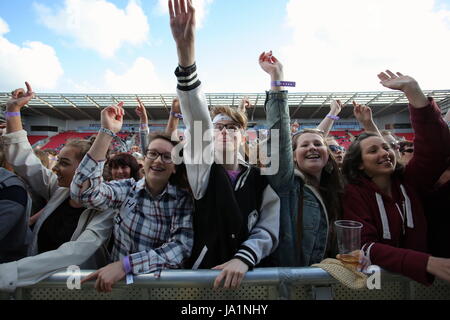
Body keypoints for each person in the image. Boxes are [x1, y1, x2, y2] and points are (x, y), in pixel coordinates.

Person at [169, 0, 280, 289]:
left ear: (244, 136)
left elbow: (268, 226)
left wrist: (244, 258)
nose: (225, 132)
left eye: (233, 127)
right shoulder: (201, 171)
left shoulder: (260, 178)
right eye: (219, 127)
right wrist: (186, 55)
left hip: (254, 279)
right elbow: (197, 121)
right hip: (204, 280)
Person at [0, 82, 114, 292]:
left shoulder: (106, 209)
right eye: (58, 161)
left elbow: (75, 253)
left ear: (85, 169)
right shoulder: (59, 191)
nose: (55, 169)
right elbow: (24, 159)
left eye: (64, 163)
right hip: (38, 286)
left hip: (78, 291)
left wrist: (9, 273)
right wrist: (13, 111)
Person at [70, 102, 193, 293]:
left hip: (161, 291)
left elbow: (180, 247)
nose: (158, 160)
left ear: (175, 166)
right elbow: (83, 194)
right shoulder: (127, 189)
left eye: (167, 156)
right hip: (118, 290)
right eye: (152, 154)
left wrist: (125, 265)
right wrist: (106, 133)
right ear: (144, 160)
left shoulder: (182, 200)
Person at [342, 70, 450, 285]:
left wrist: (413, 91)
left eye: (387, 147)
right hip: (375, 286)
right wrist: (425, 263)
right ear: (360, 164)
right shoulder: (353, 193)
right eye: (373, 151)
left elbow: (435, 149)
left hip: (420, 287)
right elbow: (362, 246)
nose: (384, 153)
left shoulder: (410, 181)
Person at [260, 51, 343, 267]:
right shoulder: (287, 184)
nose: (312, 148)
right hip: (292, 284)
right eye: (304, 145)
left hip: (328, 281)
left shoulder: (339, 189)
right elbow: (279, 137)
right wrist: (277, 80)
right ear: (293, 157)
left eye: (318, 144)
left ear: (328, 154)